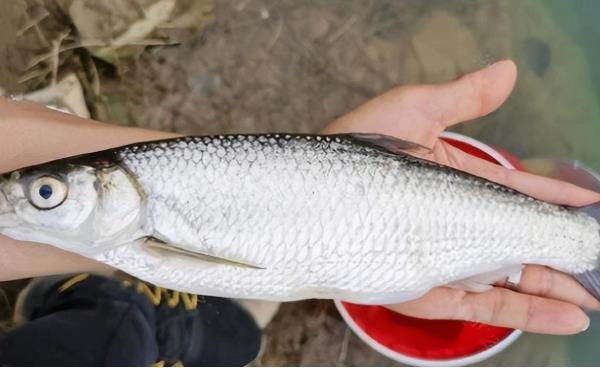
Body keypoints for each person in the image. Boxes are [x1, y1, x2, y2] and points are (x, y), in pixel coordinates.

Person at [0, 60, 597, 362]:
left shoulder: (132, 224)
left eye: (47, 193)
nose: (30, 199)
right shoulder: (128, 224)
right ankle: (127, 319)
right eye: (46, 194)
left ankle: (129, 321)